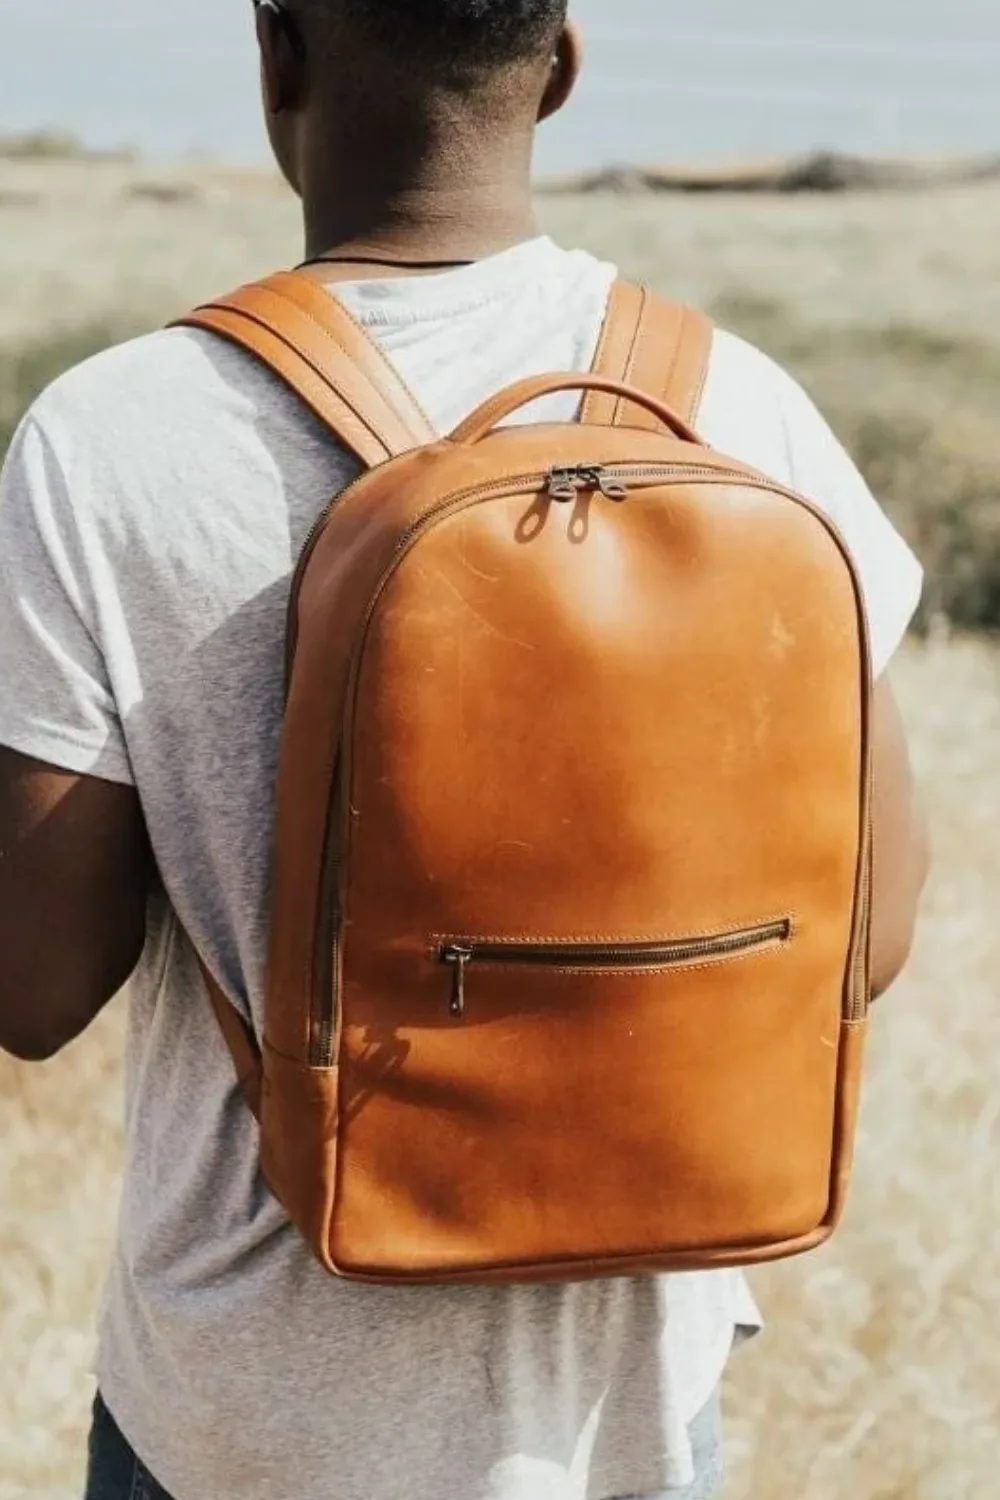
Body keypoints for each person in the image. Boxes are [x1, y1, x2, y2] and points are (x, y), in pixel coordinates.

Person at [0, 3, 929, 1497]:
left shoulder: (111, 434)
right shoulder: (742, 408)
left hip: (240, 1411)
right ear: (560, 64)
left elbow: (31, 988)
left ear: (276, 53)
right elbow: (863, 939)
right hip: (625, 1403)